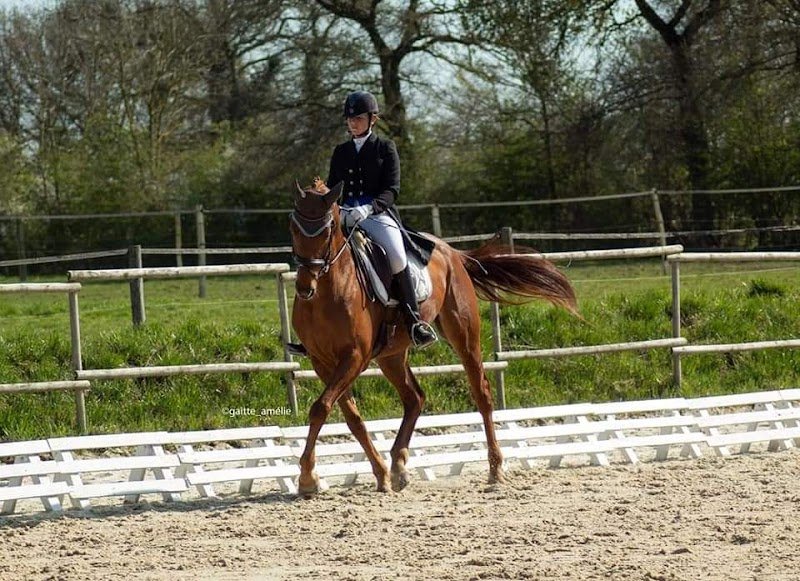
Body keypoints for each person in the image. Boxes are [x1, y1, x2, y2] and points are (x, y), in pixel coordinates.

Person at [288, 91, 437, 355]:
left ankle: (414, 321)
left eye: (358, 118)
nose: (352, 123)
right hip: (346, 215)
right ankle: (311, 332)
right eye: (349, 119)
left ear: (372, 119)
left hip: (378, 215)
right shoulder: (341, 151)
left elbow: (392, 189)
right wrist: (327, 202)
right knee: (320, 255)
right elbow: (333, 187)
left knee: (396, 256)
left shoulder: (385, 148)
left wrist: (369, 208)